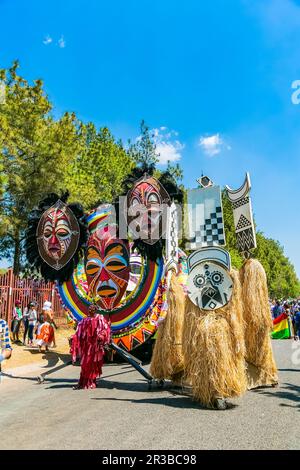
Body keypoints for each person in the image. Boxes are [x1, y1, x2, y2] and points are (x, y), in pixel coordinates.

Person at [70, 305, 111, 389]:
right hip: (86, 347)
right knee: (85, 364)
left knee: (93, 364)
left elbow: (105, 329)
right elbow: (79, 333)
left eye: (92, 310)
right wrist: (74, 338)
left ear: (95, 310)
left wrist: (101, 335)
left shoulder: (100, 318)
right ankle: (85, 381)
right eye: (89, 310)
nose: (90, 311)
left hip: (95, 347)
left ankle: (92, 381)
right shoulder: (84, 320)